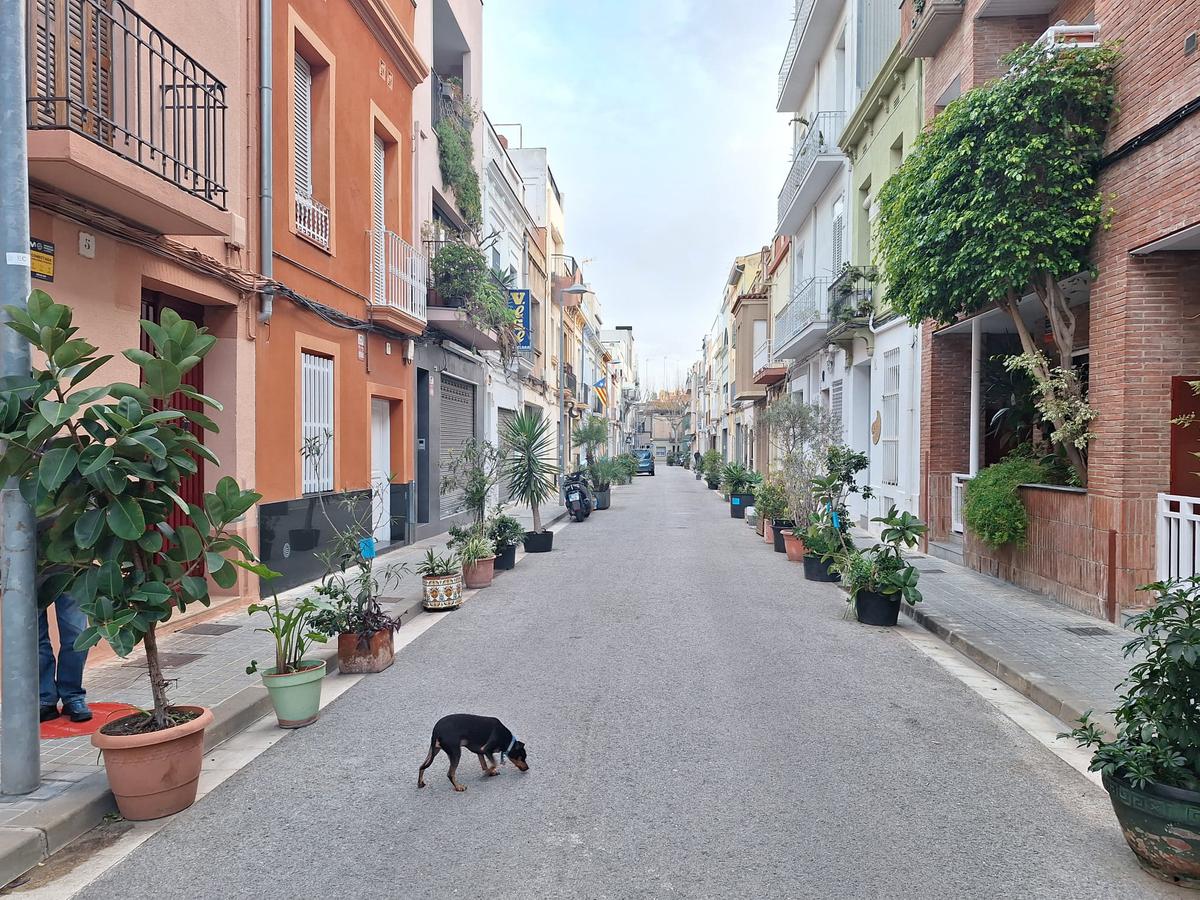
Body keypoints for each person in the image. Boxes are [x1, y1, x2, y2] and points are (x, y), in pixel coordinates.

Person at [39, 591, 92, 723]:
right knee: (35, 639)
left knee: (77, 637)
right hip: (25, 579)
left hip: (69, 578)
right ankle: (45, 699)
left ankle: (73, 696)